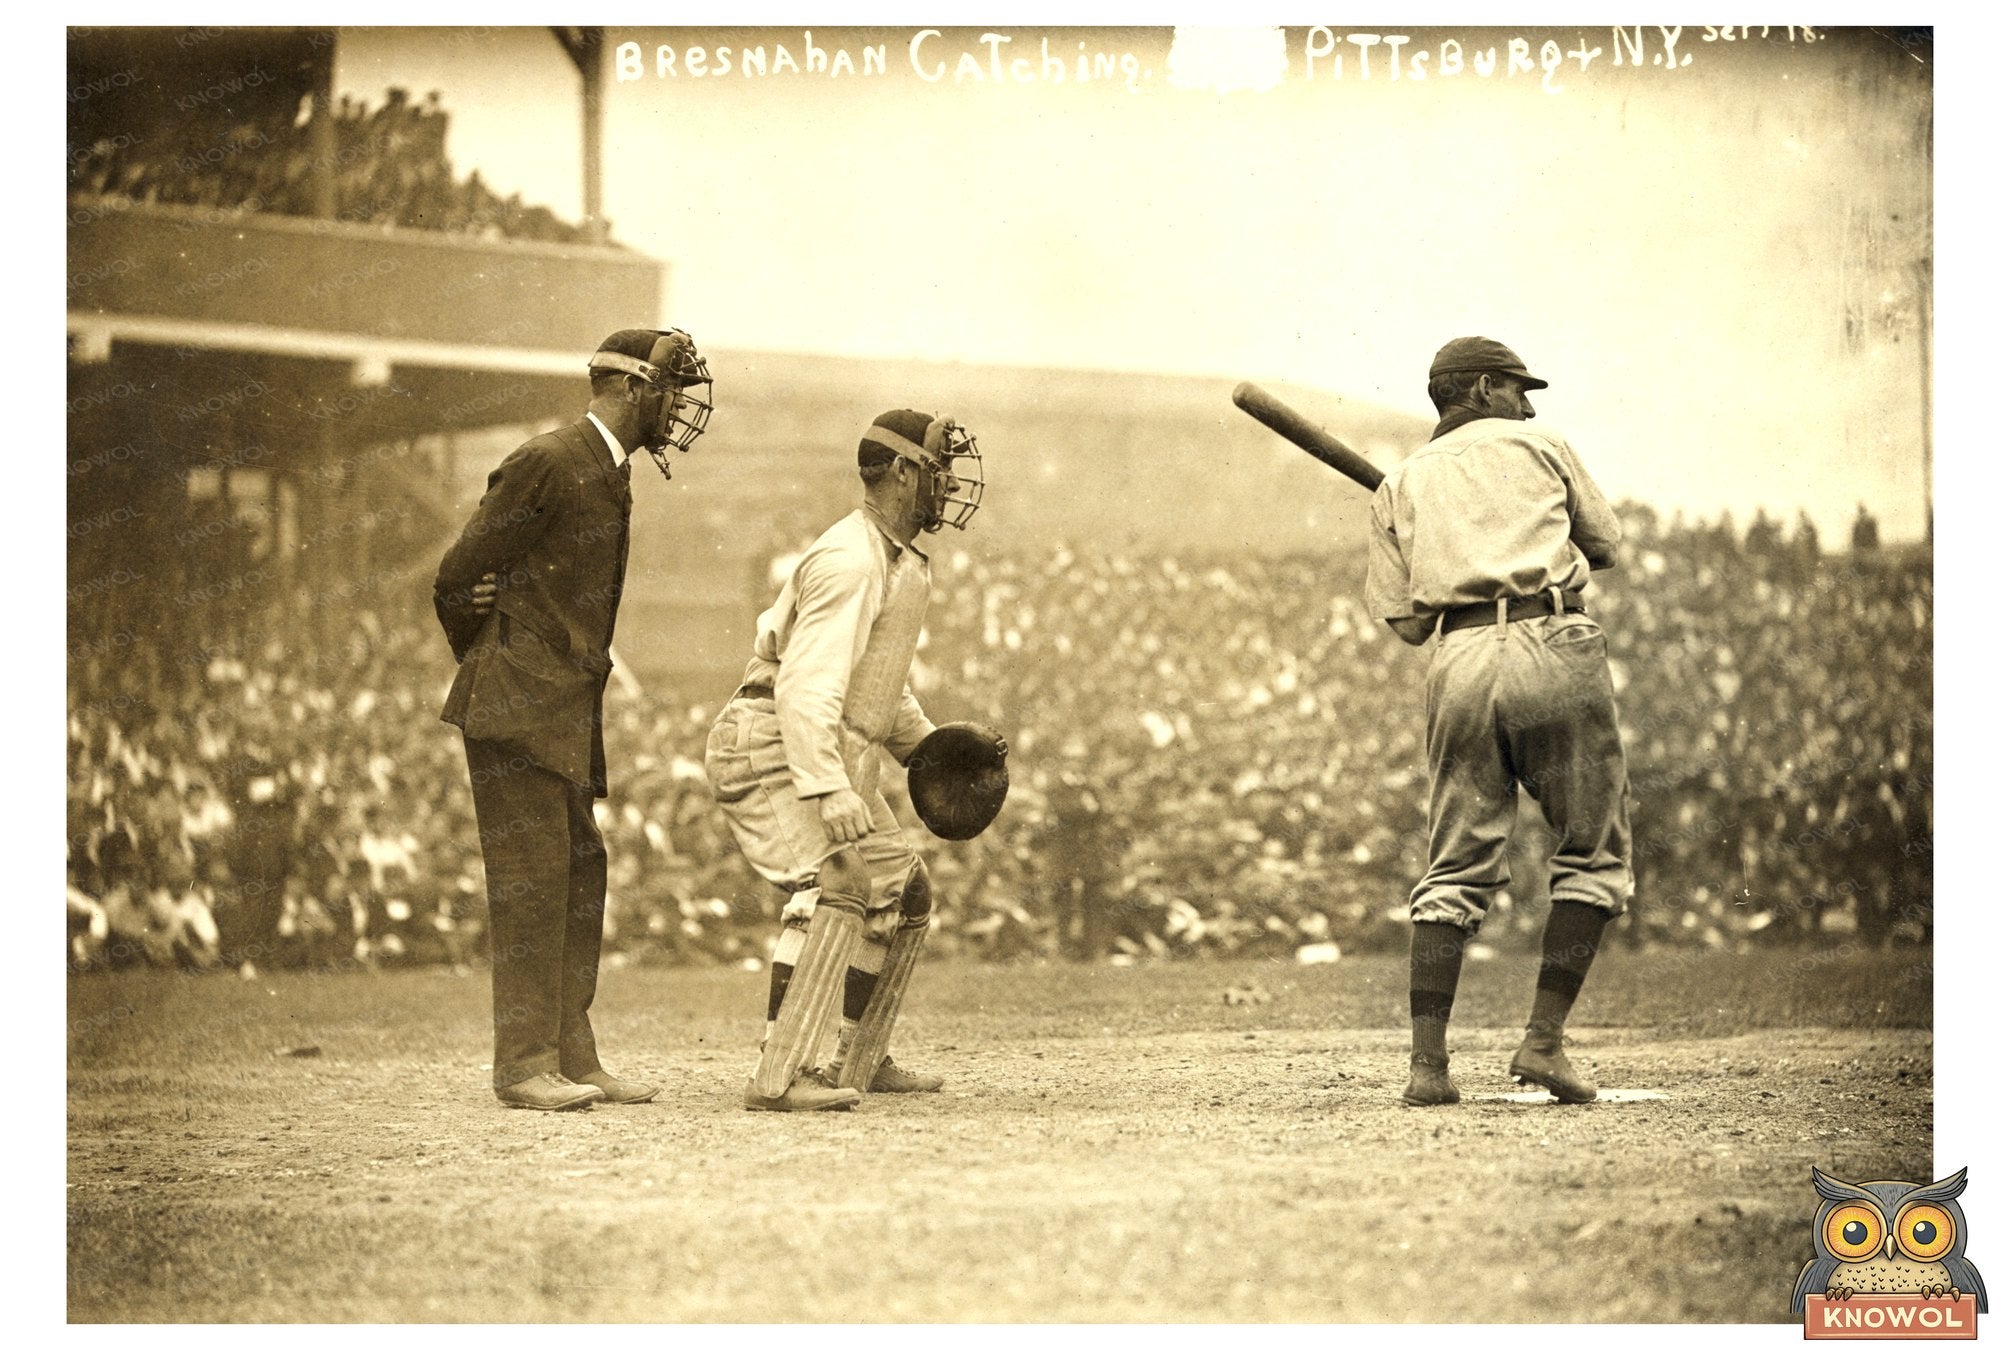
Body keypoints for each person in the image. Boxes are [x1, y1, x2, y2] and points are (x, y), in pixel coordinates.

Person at [433, 328, 713, 1111]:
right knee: (531, 883)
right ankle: (522, 1065)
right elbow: (457, 574)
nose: (678, 407)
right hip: (518, 704)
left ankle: (572, 1054)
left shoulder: (608, 471)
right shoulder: (550, 460)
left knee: (580, 873)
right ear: (626, 389)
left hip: (561, 708)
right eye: (668, 388)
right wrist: (492, 648)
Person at [1364, 337, 1631, 1106]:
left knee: (1453, 864)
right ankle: (1543, 1043)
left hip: (1460, 655)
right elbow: (1606, 547)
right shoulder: (1541, 444)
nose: (1530, 402)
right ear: (1482, 388)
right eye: (1519, 387)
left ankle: (1427, 1070)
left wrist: (1447, 541)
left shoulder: (1402, 483)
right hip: (1554, 640)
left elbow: (1408, 623)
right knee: (1592, 848)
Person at [705, 409, 986, 1112]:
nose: (947, 482)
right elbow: (805, 687)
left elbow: (876, 686)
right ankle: (781, 1072)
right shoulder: (850, 559)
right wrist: (828, 789)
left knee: (905, 892)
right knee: (834, 882)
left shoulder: (899, 561)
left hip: (823, 743)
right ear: (899, 472)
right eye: (935, 467)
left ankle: (857, 1056)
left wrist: (929, 749)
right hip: (771, 736)